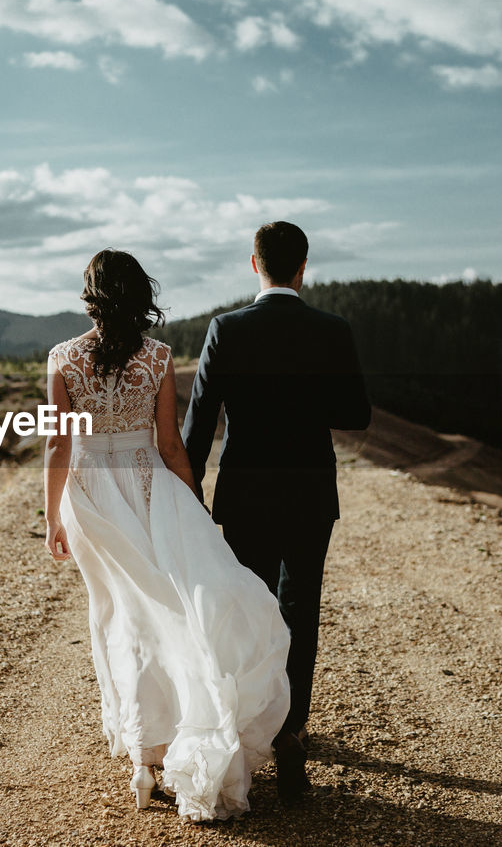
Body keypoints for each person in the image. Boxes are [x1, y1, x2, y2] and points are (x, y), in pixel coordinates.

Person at [43, 249, 293, 822]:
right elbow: (170, 445)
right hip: (149, 487)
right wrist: (193, 503)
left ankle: (141, 760)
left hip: (89, 495)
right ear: (137, 294)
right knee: (165, 609)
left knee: (116, 616)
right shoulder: (156, 356)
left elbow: (58, 443)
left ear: (90, 294)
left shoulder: (64, 357)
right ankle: (173, 734)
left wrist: (53, 516)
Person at [181, 220, 371, 803]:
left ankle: (248, 733)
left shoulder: (226, 329)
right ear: (303, 267)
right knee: (300, 609)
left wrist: (188, 491)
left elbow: (200, 419)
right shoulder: (331, 329)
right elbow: (356, 414)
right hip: (311, 493)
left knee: (249, 613)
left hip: (245, 494)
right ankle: (291, 735)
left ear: (253, 263)